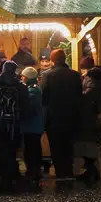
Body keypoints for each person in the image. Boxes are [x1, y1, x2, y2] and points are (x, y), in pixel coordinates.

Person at [0, 60, 29, 194]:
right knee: (11, 151)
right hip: (15, 125)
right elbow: (26, 106)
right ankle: (10, 178)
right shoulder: (21, 86)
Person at [41, 49, 81, 182]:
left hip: (54, 116)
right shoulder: (75, 75)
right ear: (64, 59)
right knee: (68, 145)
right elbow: (79, 95)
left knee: (56, 145)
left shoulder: (48, 75)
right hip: (72, 115)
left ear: (52, 60)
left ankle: (60, 173)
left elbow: (44, 96)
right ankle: (69, 171)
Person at [19, 66, 45, 191]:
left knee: (32, 150)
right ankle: (34, 171)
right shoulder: (34, 89)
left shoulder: (32, 91)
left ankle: (33, 171)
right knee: (32, 149)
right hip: (34, 125)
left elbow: (29, 108)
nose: (21, 78)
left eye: (23, 76)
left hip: (31, 126)